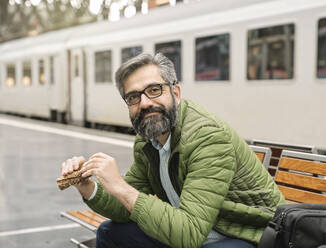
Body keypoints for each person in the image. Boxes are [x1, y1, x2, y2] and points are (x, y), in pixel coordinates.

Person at [60, 53, 286, 248]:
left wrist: (120, 186)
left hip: (247, 235)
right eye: (133, 97)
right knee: (110, 233)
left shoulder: (207, 137)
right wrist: (88, 187)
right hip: (196, 231)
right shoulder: (147, 142)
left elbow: (189, 235)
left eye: (154, 90)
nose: (145, 103)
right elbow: (124, 209)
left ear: (175, 94)